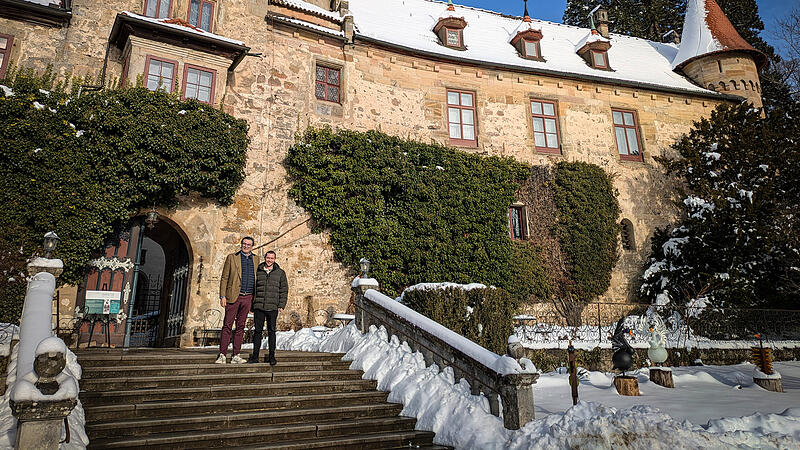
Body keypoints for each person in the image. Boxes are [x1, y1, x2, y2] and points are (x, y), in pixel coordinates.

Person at [216, 236, 258, 364]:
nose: (246, 246)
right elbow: (224, 277)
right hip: (233, 296)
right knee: (227, 325)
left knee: (241, 326)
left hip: (248, 297)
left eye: (248, 245)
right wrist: (222, 296)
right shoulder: (232, 257)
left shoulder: (256, 259)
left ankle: (236, 355)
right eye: (244, 244)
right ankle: (222, 354)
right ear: (241, 244)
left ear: (252, 246)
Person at [248, 250, 288, 365]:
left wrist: (281, 305)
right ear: (265, 258)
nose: (269, 260)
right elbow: (253, 287)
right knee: (257, 332)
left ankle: (272, 356)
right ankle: (255, 356)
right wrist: (252, 304)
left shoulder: (280, 273)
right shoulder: (258, 271)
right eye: (268, 258)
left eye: (272, 258)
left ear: (274, 259)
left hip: (272, 307)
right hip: (259, 306)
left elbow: (284, 290)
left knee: (272, 332)